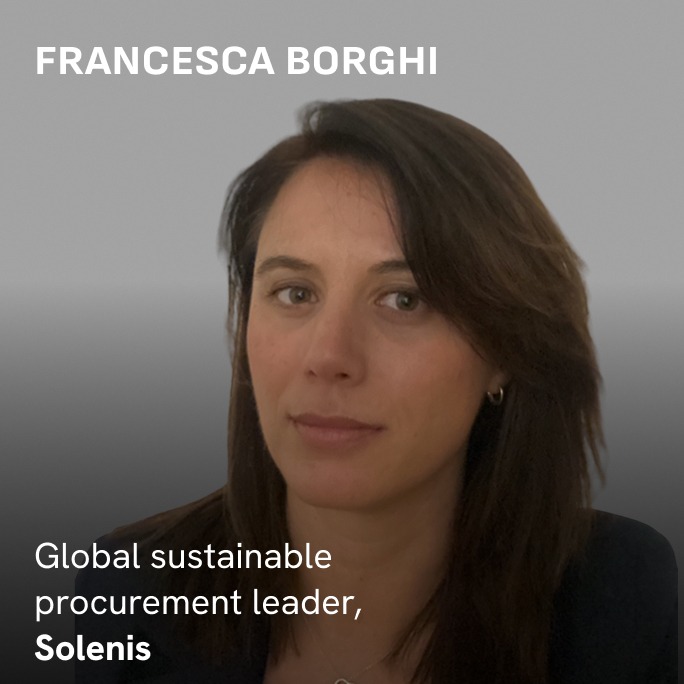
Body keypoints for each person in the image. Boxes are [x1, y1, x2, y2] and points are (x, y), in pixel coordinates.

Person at [75, 99, 677, 684]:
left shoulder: (618, 599)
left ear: (504, 351)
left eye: (404, 300)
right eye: (295, 293)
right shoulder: (131, 594)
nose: (328, 358)